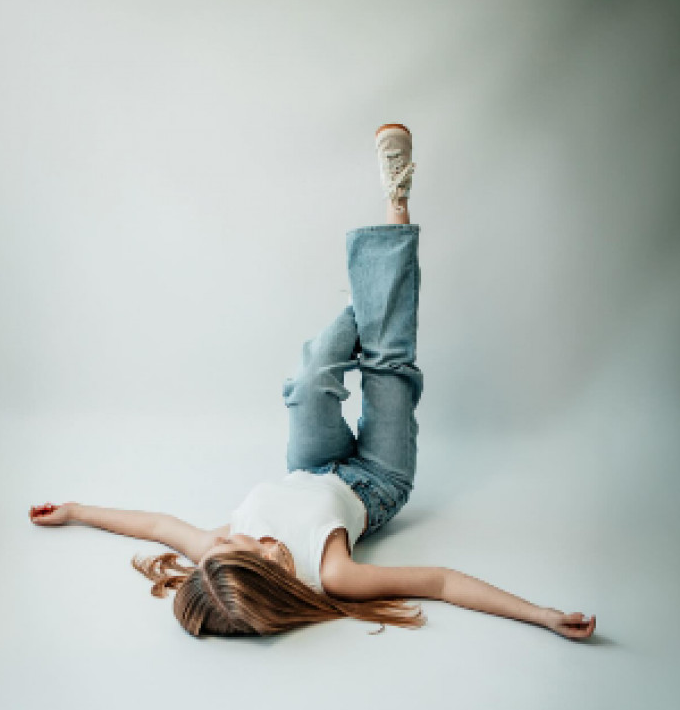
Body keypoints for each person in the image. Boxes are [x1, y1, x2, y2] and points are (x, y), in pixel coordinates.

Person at [29, 123, 597, 643]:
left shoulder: (218, 553)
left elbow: (155, 525)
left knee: (310, 376)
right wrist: (543, 616)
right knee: (388, 363)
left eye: (221, 546)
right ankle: (396, 207)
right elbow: (442, 583)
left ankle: (375, 297)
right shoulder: (332, 572)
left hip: (312, 463)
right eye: (240, 547)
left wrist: (75, 510)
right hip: (378, 479)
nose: (228, 537)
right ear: (268, 572)